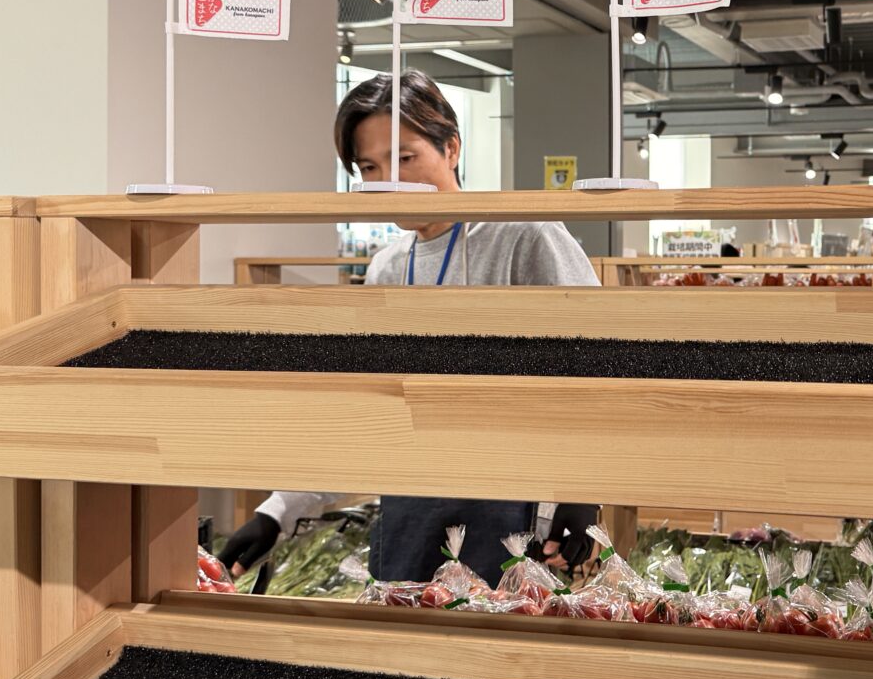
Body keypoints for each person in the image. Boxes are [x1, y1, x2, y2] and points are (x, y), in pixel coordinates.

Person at [221, 71, 601, 585]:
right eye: (370, 167)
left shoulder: (524, 236)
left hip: (514, 514)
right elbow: (370, 414)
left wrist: (581, 488)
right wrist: (278, 511)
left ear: (452, 148)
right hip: (410, 515)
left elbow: (595, 368)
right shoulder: (387, 267)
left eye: (405, 158)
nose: (390, 180)